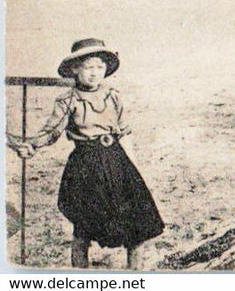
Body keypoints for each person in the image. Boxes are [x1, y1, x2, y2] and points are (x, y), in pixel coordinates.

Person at [8, 40, 165, 269]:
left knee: (136, 225)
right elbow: (52, 132)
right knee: (83, 228)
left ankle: (135, 274)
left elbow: (123, 132)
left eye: (100, 67)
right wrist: (30, 146)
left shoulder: (113, 96)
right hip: (86, 167)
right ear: (75, 69)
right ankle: (80, 274)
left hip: (117, 163)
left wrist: (135, 168)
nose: (94, 73)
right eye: (88, 67)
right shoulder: (68, 100)